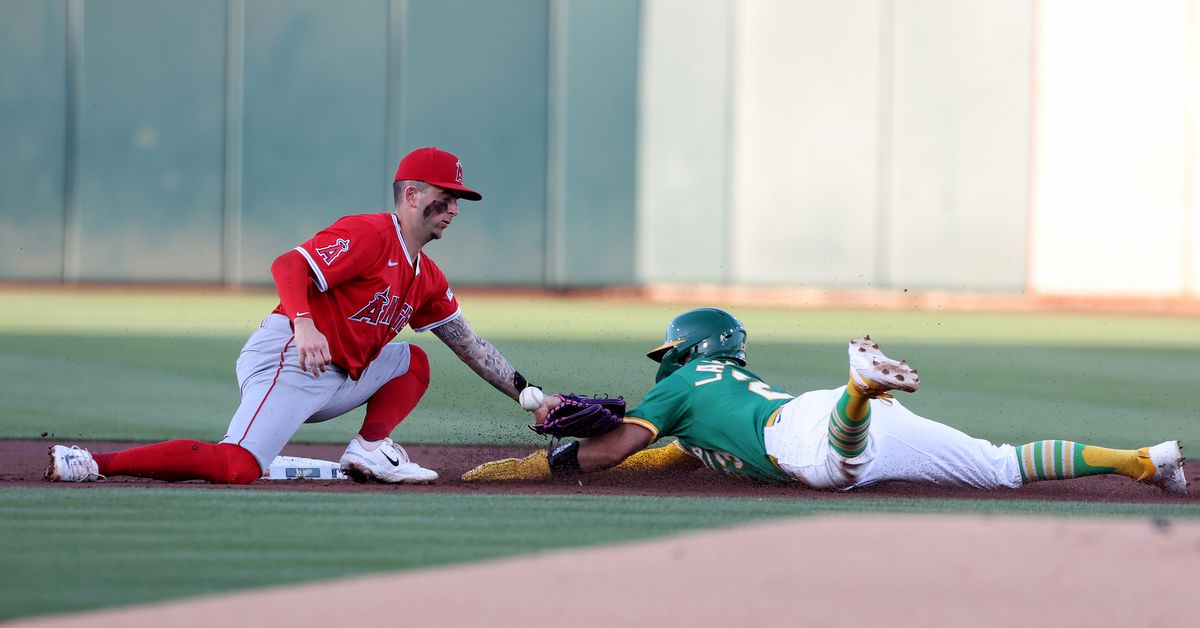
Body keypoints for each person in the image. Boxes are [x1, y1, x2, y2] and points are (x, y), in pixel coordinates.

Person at [46, 147, 538, 485]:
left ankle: (370, 447)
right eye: (444, 195)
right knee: (238, 466)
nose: (453, 207)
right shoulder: (370, 234)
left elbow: (467, 343)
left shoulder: (425, 274)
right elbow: (289, 265)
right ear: (410, 195)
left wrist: (531, 397)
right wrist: (303, 322)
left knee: (411, 361)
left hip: (338, 374)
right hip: (290, 356)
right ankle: (91, 463)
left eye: (457, 200)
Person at [463, 307, 1188, 495]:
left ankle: (859, 389)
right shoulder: (716, 395)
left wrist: (543, 463)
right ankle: (1140, 461)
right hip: (809, 411)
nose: (666, 363)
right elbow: (664, 459)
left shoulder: (680, 387)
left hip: (808, 433)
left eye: (669, 353)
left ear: (684, 352)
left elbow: (619, 452)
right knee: (998, 465)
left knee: (833, 471)